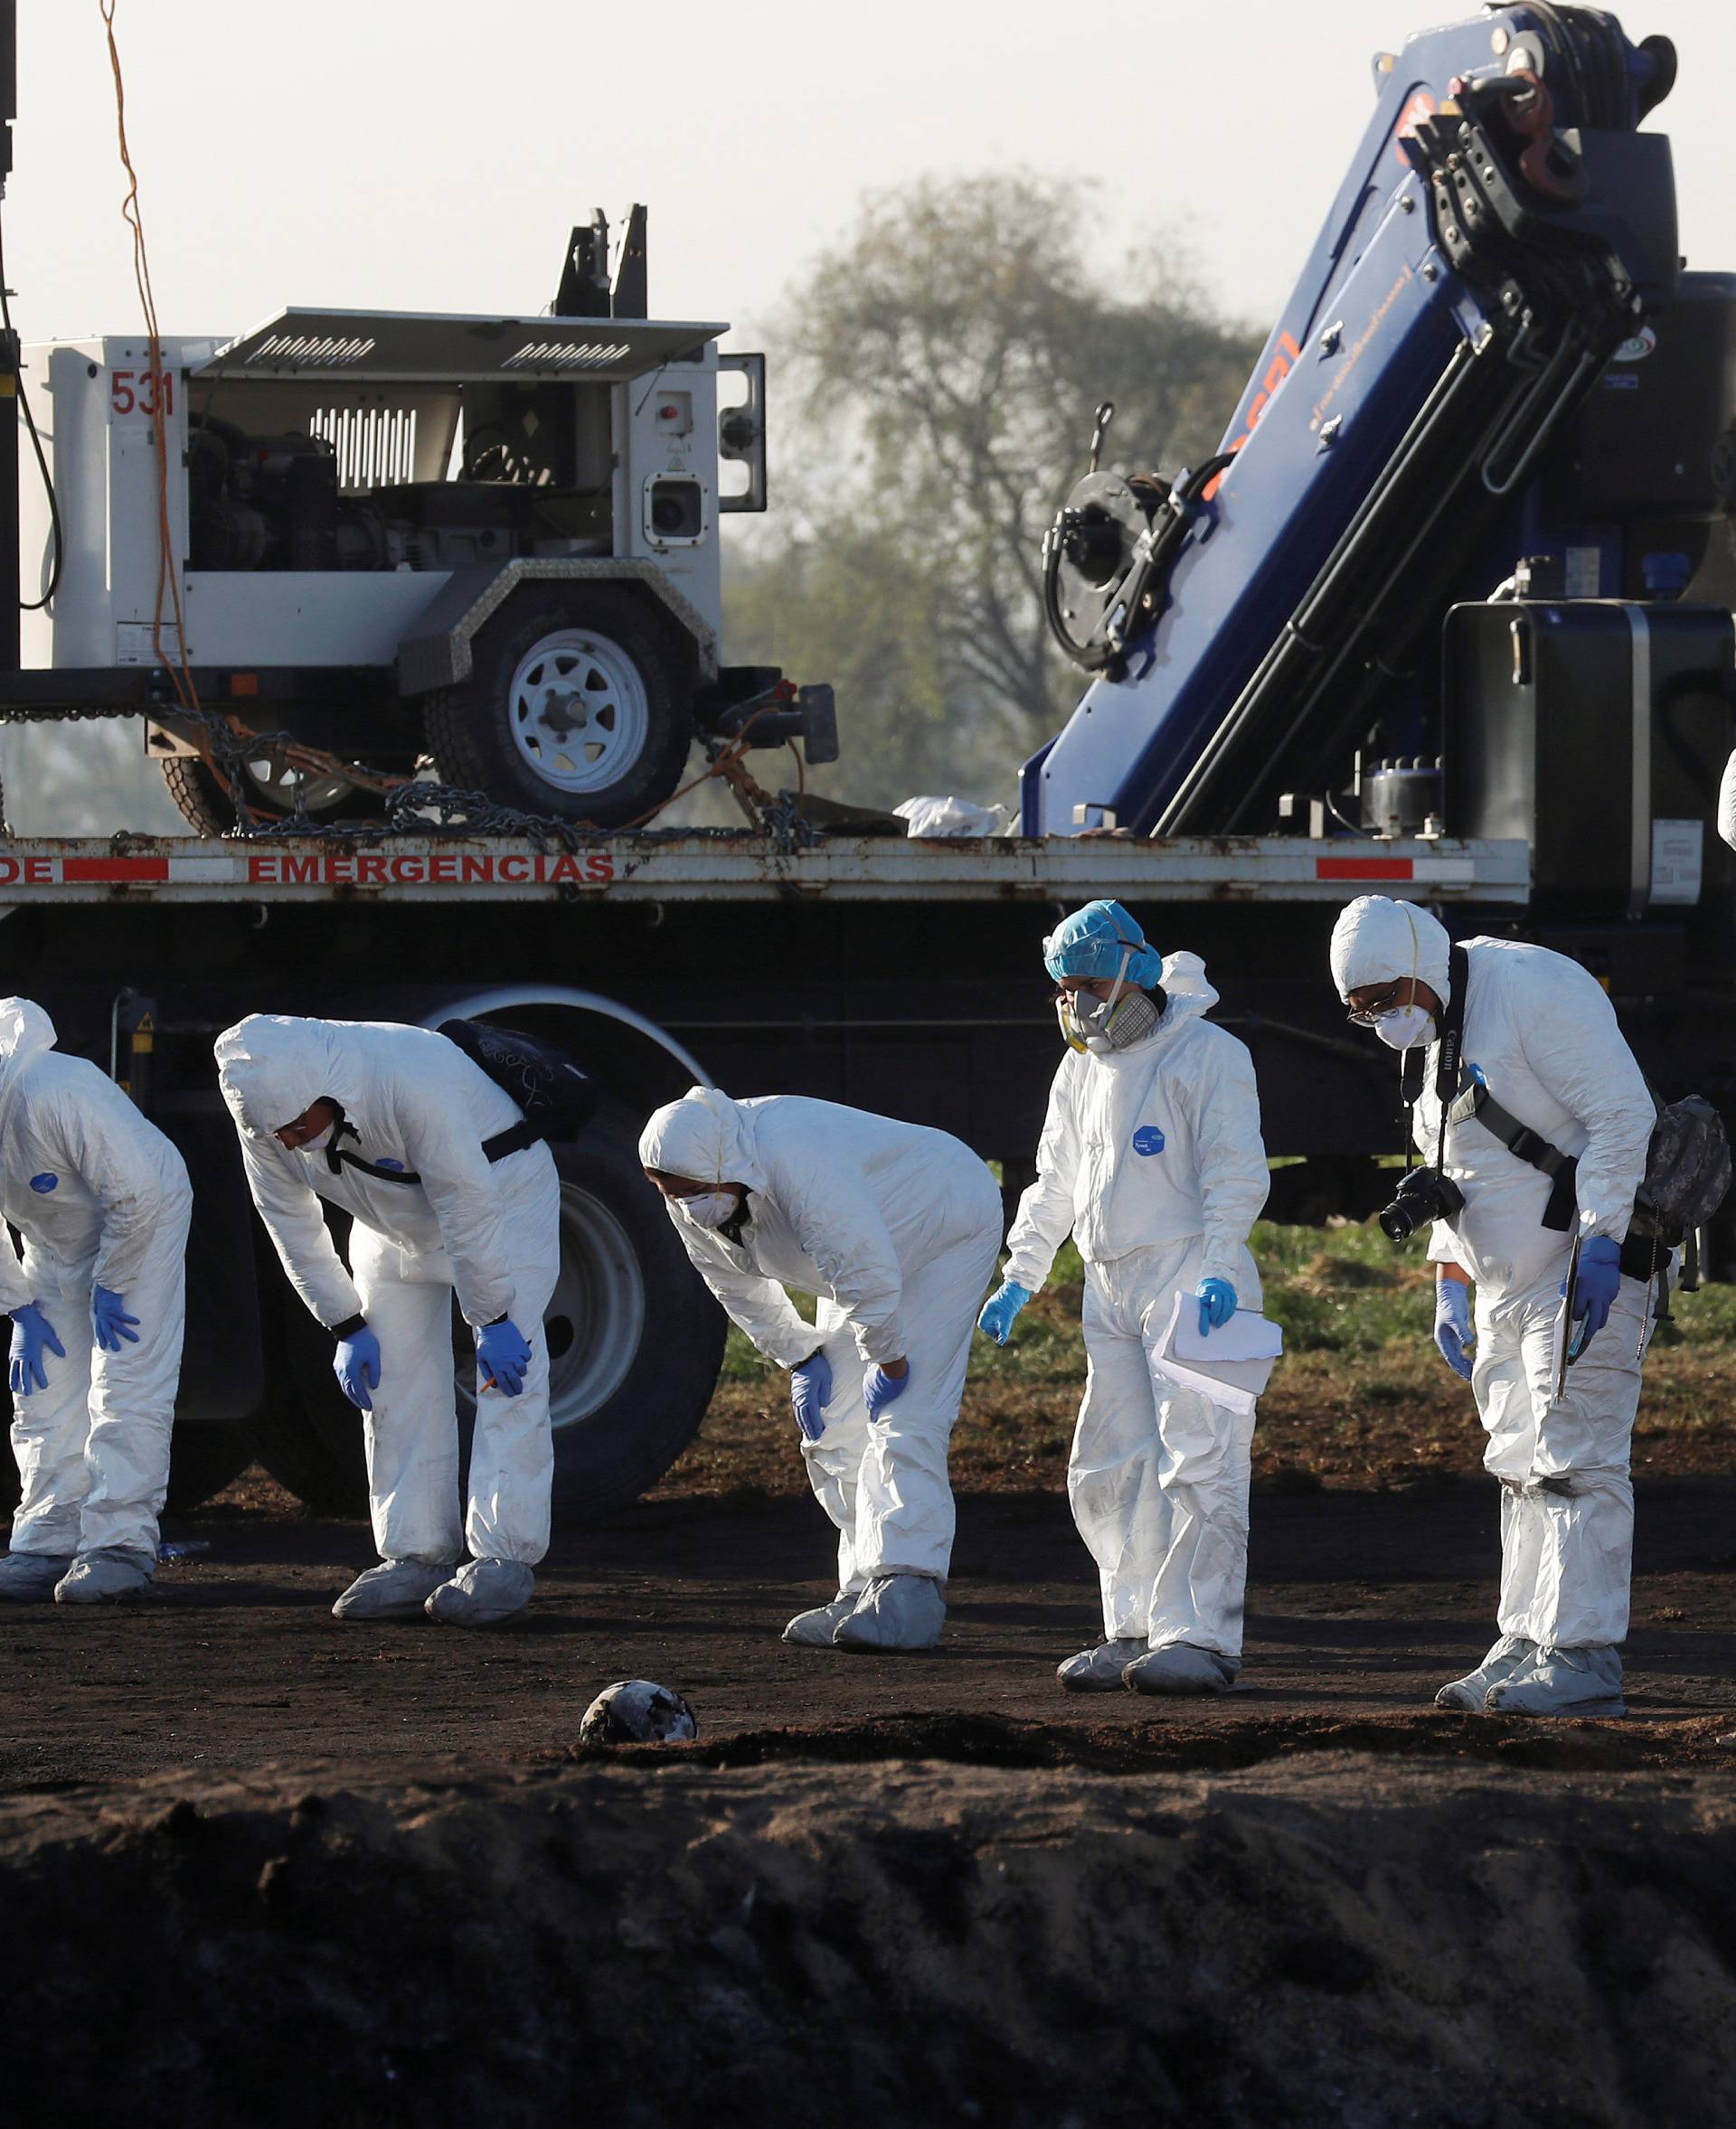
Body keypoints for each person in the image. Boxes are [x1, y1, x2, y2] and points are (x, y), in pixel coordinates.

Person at [1331, 894, 1659, 1719]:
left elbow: (1624, 1114)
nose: (1381, 1020)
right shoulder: (1436, 1031)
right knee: (1518, 1464)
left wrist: (1606, 1243)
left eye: (1385, 999)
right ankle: (1525, 1637)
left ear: (1423, 965)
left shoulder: (1534, 987)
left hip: (1579, 1267)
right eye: (1362, 1011)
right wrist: (1449, 1277)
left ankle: (1582, 1653)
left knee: (1575, 1458)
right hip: (1502, 1280)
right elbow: (1456, 1161)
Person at [978, 900, 1269, 1696]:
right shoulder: (1081, 1068)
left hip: (1205, 1281)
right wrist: (1020, 1274)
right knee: (1110, 1463)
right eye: (1064, 989)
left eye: (1090, 984)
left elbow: (1236, 1173)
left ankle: (1203, 1637)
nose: (1078, 1003)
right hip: (1109, 1283)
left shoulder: (1212, 1054)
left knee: (1204, 1460)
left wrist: (1217, 1264)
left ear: (1135, 972)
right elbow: (1055, 1180)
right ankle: (1130, 1626)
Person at [215, 1014, 561, 1627]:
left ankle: (503, 1556)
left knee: (506, 1381)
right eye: (279, 1132)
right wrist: (344, 1324)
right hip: (387, 1223)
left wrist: (494, 1316)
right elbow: (289, 1222)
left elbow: (466, 1198)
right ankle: (415, 1551)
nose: (291, 1141)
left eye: (298, 1125)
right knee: (393, 1382)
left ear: (324, 1092)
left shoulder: (408, 1075)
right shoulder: (268, 1125)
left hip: (500, 1202)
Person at [640, 1086, 1003, 1653]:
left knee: (905, 1414)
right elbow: (730, 1281)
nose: (684, 1205)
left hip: (944, 1225)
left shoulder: (796, 1154)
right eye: (669, 1192)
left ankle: (908, 1584)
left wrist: (888, 1357)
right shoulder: (690, 1179)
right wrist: (800, 1354)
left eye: (691, 1192)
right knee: (832, 1423)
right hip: (853, 1263)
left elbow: (861, 1260)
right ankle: (861, 1584)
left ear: (723, 1166)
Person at [0, 997, 192, 1605]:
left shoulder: (57, 1092)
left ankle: (120, 1543)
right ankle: (48, 1537)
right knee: (43, 1386)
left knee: (123, 1377)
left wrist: (112, 1281)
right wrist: (19, 1308)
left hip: (141, 1223)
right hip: (54, 1241)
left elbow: (132, 1194)